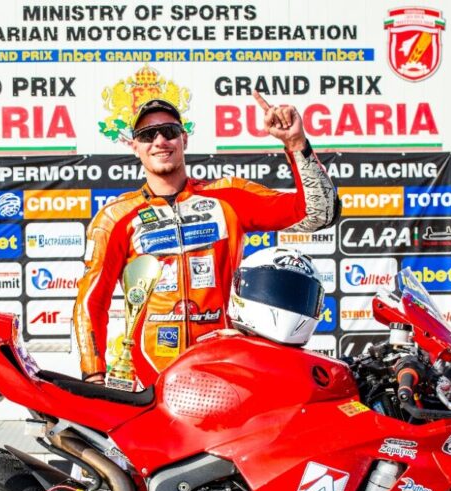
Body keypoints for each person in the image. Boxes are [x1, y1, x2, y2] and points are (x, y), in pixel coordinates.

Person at [73, 93, 338, 387]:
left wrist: (296, 143)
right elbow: (92, 300)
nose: (160, 141)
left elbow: (319, 213)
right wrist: (93, 375)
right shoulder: (116, 217)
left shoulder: (228, 196)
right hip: (150, 382)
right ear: (135, 146)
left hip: (225, 374)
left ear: (184, 139)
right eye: (148, 135)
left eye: (169, 132)